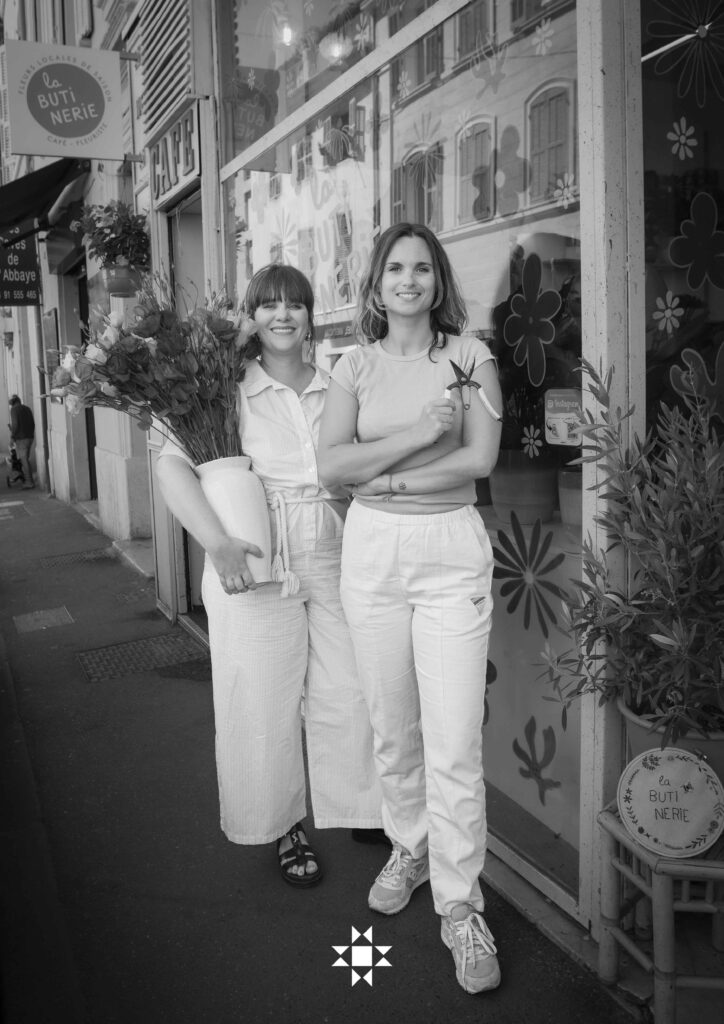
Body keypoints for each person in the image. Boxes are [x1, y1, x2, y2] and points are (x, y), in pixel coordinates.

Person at [317, 223, 503, 994]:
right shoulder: (351, 365)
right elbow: (330, 465)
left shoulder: (469, 356)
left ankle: (461, 905)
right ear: (376, 283)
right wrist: (416, 442)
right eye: (395, 267)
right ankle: (411, 846)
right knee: (393, 727)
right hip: (372, 559)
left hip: (449, 551)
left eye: (422, 268)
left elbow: (480, 460)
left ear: (438, 279)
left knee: (454, 740)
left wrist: (384, 479)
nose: (408, 280)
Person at [155, 264, 381, 887]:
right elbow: (172, 468)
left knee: (352, 684)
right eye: (269, 304)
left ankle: (359, 802)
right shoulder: (220, 390)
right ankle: (287, 824)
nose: (283, 315)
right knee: (262, 696)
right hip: (255, 555)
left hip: (334, 546)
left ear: (312, 316)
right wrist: (217, 543)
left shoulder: (339, 383)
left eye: (296, 304)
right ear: (251, 318)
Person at [9, 394, 35, 489]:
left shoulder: (14, 410)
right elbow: (33, 423)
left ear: (13, 403)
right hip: (30, 437)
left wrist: (12, 437)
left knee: (24, 460)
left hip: (21, 438)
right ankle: (29, 480)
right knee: (26, 460)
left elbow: (15, 424)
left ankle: (29, 482)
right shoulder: (27, 408)